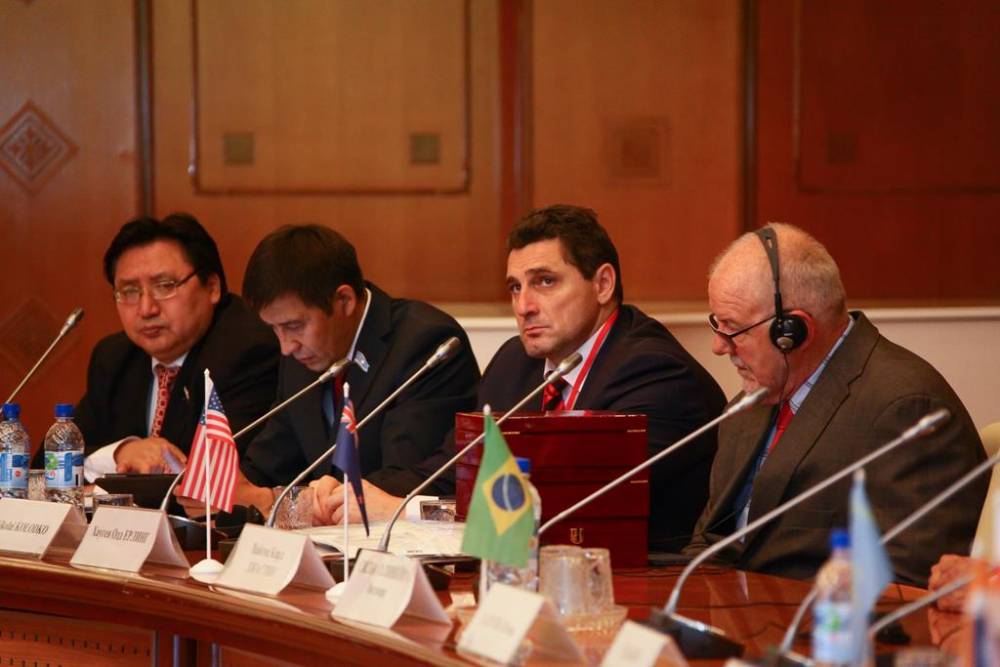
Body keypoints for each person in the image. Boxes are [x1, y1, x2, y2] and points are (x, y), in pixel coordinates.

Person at [310, 205, 726, 552]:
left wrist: (404, 509)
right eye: (514, 287)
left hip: (636, 584)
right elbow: (452, 469)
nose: (524, 306)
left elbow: (562, 508)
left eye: (545, 282)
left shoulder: (654, 374)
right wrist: (356, 494)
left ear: (602, 284)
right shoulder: (517, 362)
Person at [684, 222, 986, 586]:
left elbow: (909, 580)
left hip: (821, 618)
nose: (719, 346)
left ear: (792, 331)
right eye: (716, 324)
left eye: (733, 328)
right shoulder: (747, 407)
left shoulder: (908, 409)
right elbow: (708, 543)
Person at [230, 224, 480, 516]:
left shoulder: (424, 343)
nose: (285, 346)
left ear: (345, 301)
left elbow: (405, 482)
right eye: (274, 329)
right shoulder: (302, 356)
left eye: (294, 326)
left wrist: (286, 505)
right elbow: (266, 467)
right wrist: (223, 490)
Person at [70, 214, 279, 481]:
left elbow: (219, 475)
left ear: (212, 288)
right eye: (130, 291)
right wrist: (120, 452)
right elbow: (52, 460)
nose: (147, 309)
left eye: (164, 286)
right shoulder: (114, 358)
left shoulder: (248, 351)